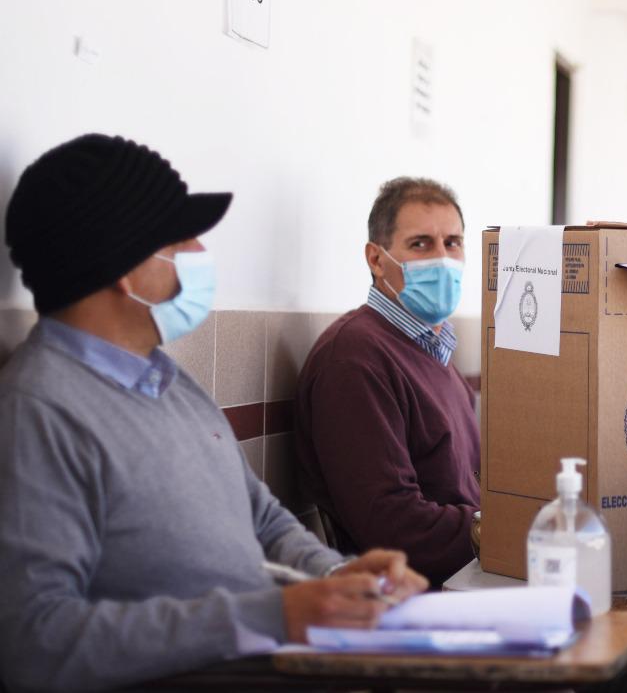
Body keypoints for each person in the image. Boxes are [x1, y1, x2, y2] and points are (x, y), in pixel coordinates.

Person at [0, 134, 427, 693]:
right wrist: (271, 616)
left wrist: (337, 576)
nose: (200, 257)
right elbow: (36, 644)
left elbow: (263, 517)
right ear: (125, 269)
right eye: (182, 242)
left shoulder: (169, 380)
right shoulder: (38, 414)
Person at [294, 176, 627, 693]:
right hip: (433, 604)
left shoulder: (433, 351)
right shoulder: (356, 359)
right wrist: (508, 533)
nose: (442, 259)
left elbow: (474, 486)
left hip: (484, 579)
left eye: (452, 243)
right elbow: (390, 524)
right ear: (376, 258)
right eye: (420, 244)